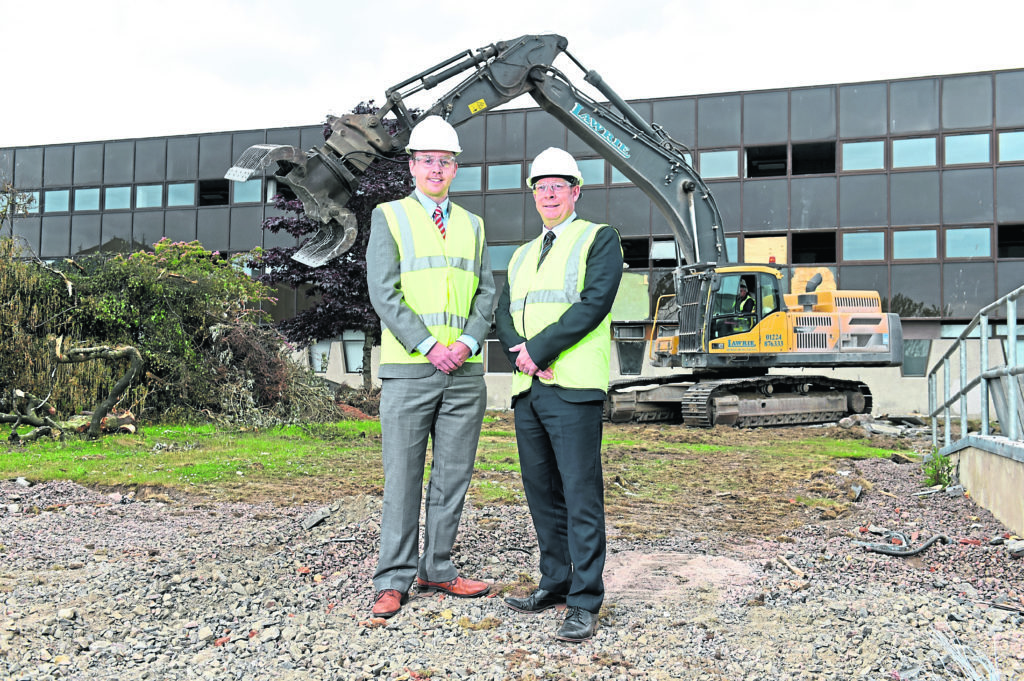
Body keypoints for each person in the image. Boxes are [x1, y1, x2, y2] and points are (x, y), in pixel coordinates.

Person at [365, 116, 495, 619]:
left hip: (464, 371)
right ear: (413, 166)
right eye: (427, 161)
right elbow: (385, 291)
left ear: (455, 169)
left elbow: (486, 292)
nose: (435, 169)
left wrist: (464, 342)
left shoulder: (474, 224)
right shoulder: (389, 216)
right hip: (409, 369)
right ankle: (392, 580)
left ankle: (437, 569)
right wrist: (426, 345)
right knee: (403, 477)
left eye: (444, 161)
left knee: (453, 476)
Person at [494, 147, 623, 642]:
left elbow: (593, 304)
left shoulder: (599, 239)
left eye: (558, 185)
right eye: (540, 186)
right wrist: (518, 355)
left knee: (580, 495)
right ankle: (555, 581)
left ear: (575, 191)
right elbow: (505, 310)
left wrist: (540, 351)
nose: (548, 193)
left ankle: (585, 599)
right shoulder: (523, 253)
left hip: (572, 388)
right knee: (542, 494)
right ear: (533, 195)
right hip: (529, 390)